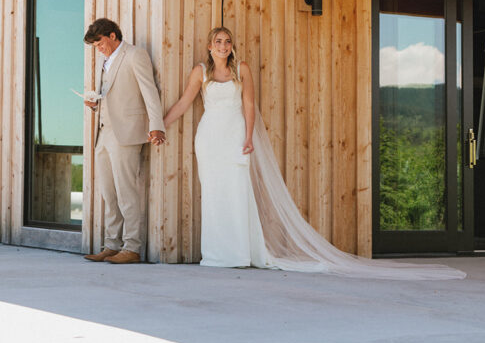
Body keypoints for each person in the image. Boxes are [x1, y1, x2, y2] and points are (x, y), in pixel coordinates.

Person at [164, 26, 465, 280]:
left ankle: (240, 252)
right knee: (215, 194)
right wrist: (161, 125)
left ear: (232, 47)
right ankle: (217, 254)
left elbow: (249, 106)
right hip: (209, 139)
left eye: (227, 41)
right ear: (209, 46)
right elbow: (183, 103)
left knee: (238, 192)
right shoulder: (200, 72)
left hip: (235, 137)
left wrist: (248, 137)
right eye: (218, 41)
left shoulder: (241, 70)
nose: (223, 46)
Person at [83, 18, 165, 265]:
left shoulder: (135, 55)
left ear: (112, 35)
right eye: (95, 45)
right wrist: (96, 103)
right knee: (109, 193)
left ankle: (132, 247)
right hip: (104, 133)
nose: (98, 48)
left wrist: (156, 125)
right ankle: (112, 245)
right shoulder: (105, 61)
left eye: (100, 42)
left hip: (127, 133)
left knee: (126, 192)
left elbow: (150, 91)